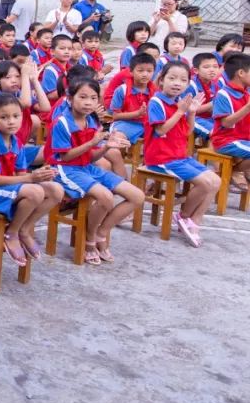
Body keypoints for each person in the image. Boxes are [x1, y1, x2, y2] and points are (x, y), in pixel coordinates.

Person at [46, 79, 143, 264]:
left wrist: (106, 147)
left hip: (85, 167)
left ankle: (102, 231)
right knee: (106, 197)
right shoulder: (62, 123)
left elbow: (90, 157)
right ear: (70, 98)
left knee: (137, 196)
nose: (88, 102)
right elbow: (65, 158)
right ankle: (89, 239)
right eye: (82, 97)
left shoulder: (91, 120)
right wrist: (91, 143)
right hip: (65, 169)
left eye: (93, 98)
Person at [0, 93, 64, 265]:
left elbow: (20, 174)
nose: (11, 121)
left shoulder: (16, 141)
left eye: (16, 116)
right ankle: (11, 233)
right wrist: (32, 178)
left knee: (56, 190)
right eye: (4, 117)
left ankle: (24, 229)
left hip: (6, 184)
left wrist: (40, 176)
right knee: (34, 192)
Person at [144, 62, 220, 246]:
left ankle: (195, 220)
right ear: (161, 80)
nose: (177, 83)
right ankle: (184, 215)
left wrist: (191, 113)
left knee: (216, 181)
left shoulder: (181, 104)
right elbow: (161, 131)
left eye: (183, 80)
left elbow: (187, 132)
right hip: (161, 158)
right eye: (172, 78)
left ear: (188, 84)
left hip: (179, 155)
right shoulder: (157, 102)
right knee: (204, 183)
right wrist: (180, 112)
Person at [210, 52, 250, 193]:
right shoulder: (223, 94)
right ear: (241, 73)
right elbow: (225, 123)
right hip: (225, 140)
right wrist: (247, 108)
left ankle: (234, 171)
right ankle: (232, 172)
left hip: (244, 139)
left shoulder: (246, 93)